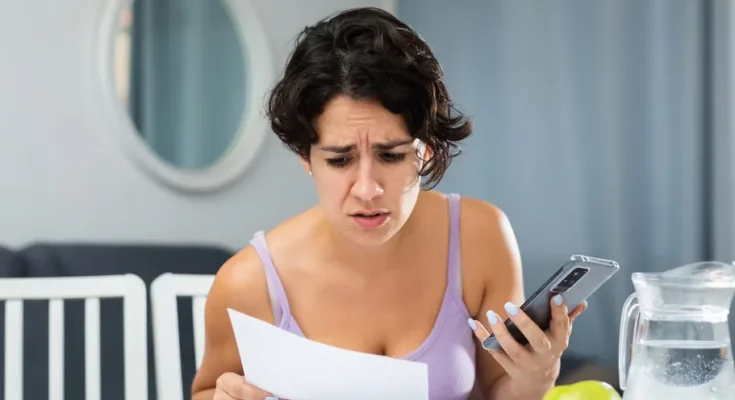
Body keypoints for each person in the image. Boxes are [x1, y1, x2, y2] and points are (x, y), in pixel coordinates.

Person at [191, 6, 586, 400]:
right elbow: (208, 391)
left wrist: (538, 375)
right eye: (339, 159)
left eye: (392, 156)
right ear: (305, 157)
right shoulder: (248, 283)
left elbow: (497, 389)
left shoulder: (479, 238)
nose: (366, 189)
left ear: (426, 149)